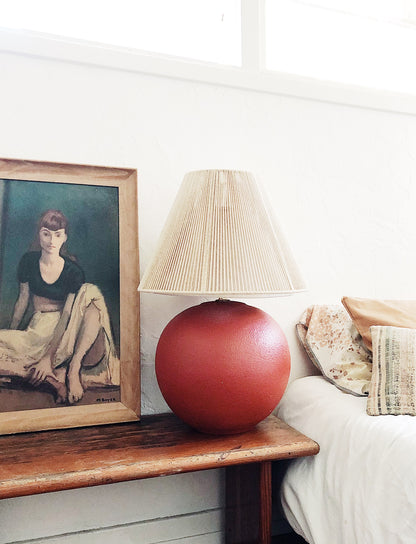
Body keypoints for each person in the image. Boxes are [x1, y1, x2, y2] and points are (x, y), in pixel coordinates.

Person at [0, 209, 119, 404]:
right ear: (39, 235)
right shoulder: (28, 261)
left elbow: (66, 316)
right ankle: (54, 380)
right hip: (39, 328)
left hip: (68, 330)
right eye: (46, 233)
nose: (51, 240)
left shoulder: (73, 271)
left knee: (90, 292)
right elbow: (22, 300)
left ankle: (73, 368)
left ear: (64, 237)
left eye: (57, 235)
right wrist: (13, 334)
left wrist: (48, 357)